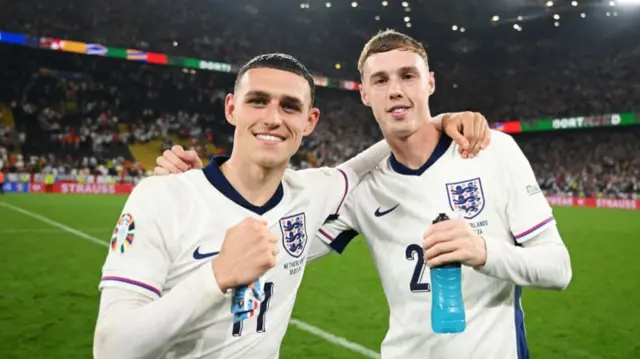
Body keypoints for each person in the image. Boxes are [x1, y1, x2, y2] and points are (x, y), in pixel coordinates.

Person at [156, 31, 572, 359]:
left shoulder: (490, 150)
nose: (395, 89)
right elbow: (274, 247)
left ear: (429, 83)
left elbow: (558, 268)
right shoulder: (358, 189)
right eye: (380, 79)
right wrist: (210, 191)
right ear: (364, 93)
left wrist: (483, 250)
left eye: (408, 75)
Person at [93, 52, 491, 359]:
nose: (272, 117)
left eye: (289, 106)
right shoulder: (163, 196)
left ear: (310, 120)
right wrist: (215, 276)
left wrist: (437, 120)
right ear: (232, 108)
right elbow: (111, 347)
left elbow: (364, 163)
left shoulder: (312, 194)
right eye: (258, 101)